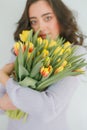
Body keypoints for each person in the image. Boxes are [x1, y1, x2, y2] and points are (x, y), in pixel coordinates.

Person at [0, 0, 87, 130]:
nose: (40, 27)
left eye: (47, 18)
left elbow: (47, 110)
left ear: (60, 17)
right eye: (34, 21)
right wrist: (7, 102)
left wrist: (3, 76)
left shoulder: (74, 53)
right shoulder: (24, 48)